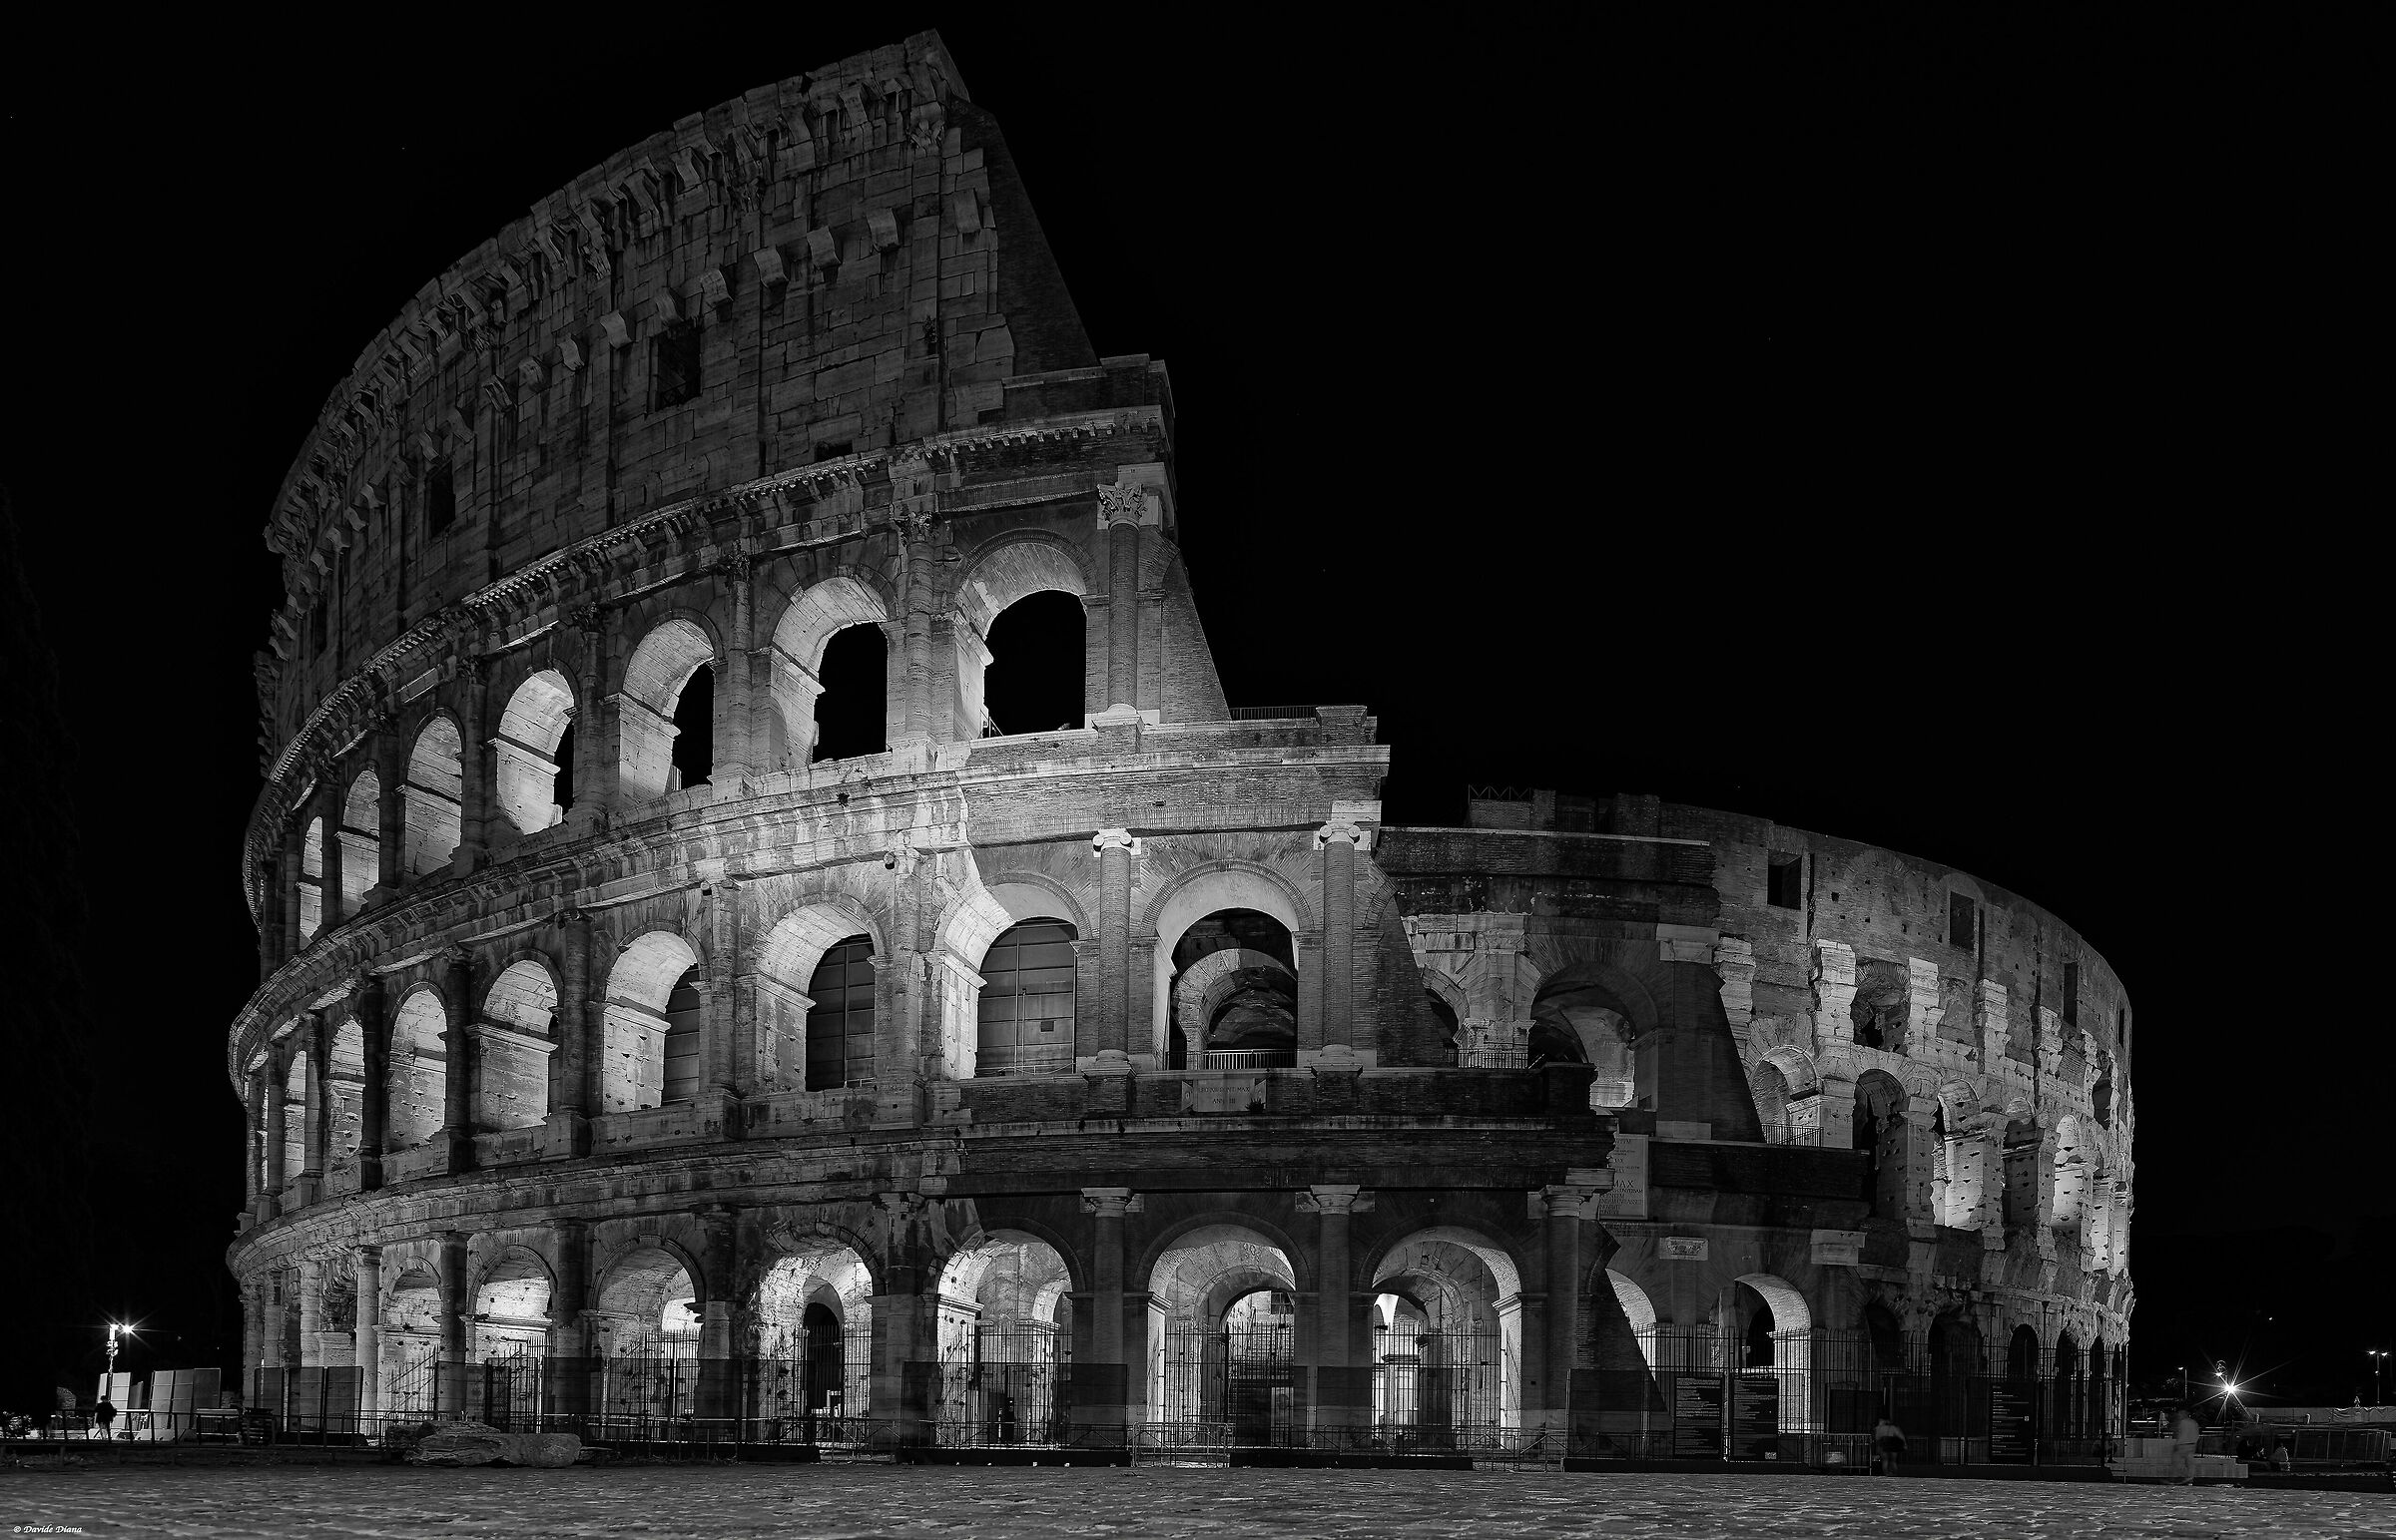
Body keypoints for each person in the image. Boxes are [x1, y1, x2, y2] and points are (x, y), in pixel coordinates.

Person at [2170, 1403, 2202, 1484]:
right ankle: (2189, 1477)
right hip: (2192, 1445)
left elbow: (2182, 1434)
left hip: (2183, 1445)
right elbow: (2196, 1435)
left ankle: (2177, 1477)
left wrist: (2177, 1444)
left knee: (2176, 1461)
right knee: (2190, 1462)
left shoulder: (2182, 1423)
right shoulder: (2193, 1423)